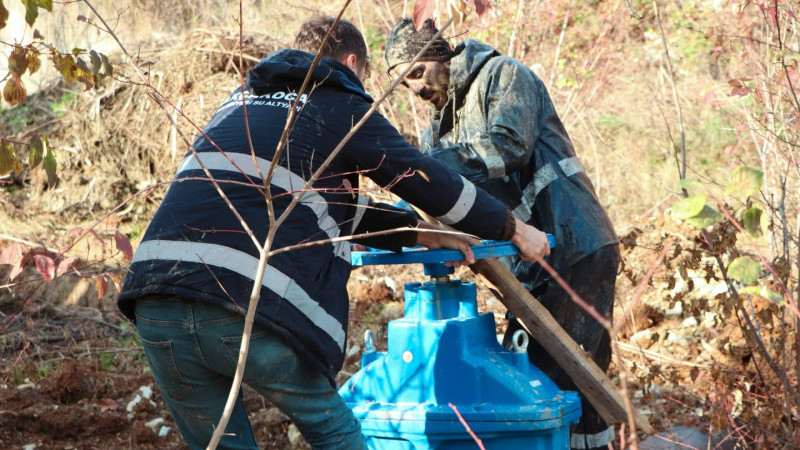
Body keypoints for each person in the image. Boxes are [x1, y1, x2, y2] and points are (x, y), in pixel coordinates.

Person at [117, 16, 551, 450]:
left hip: (154, 298)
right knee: (333, 432)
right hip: (235, 299)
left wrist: (418, 232)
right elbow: (420, 176)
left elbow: (311, 203)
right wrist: (510, 227)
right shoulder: (339, 101)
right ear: (350, 63)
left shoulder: (242, 102)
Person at [384, 18, 621, 450]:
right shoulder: (435, 133)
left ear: (440, 53)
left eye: (416, 72)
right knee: (555, 384)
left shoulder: (504, 75)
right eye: (404, 83)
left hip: (574, 243)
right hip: (528, 266)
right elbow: (451, 203)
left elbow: (507, 147)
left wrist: (427, 167)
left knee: (550, 385)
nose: (415, 89)